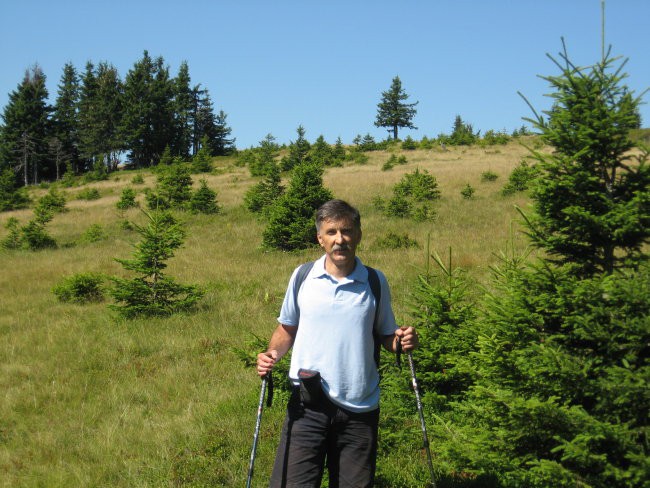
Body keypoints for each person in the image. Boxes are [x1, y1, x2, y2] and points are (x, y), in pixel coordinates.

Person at [256, 199, 418, 487]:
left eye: (346, 231)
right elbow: (287, 328)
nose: (339, 239)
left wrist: (401, 340)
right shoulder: (303, 276)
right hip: (308, 405)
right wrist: (271, 354)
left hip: (359, 408)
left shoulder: (375, 281)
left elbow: (386, 335)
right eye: (331, 232)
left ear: (358, 235)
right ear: (320, 239)